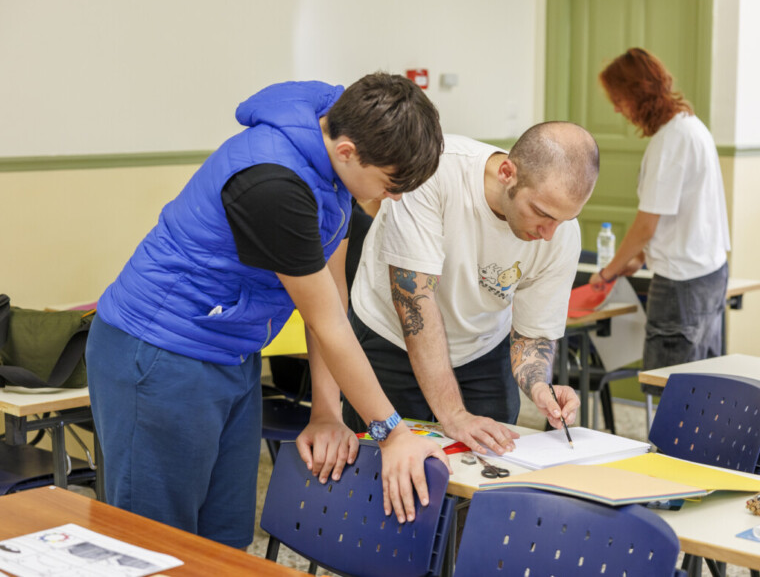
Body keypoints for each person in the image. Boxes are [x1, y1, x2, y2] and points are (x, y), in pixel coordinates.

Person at [85, 72, 449, 549]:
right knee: (157, 544)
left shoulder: (338, 129)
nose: (394, 197)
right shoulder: (274, 185)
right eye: (390, 183)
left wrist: (327, 411)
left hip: (232, 351)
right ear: (347, 152)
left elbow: (332, 294)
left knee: (225, 540)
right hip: (160, 353)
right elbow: (325, 322)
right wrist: (391, 434)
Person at [342, 124, 600, 455]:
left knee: (493, 464)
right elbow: (416, 305)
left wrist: (539, 386)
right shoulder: (433, 171)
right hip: (390, 336)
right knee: (390, 463)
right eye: (541, 213)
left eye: (562, 220)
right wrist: (453, 414)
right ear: (507, 173)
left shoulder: (561, 235)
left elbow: (532, 335)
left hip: (481, 346)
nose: (548, 233)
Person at [591, 47, 730, 370]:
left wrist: (608, 271)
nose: (617, 109)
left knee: (669, 385)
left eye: (619, 99)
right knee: (704, 384)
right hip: (710, 273)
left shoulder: (669, 141)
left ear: (638, 94)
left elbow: (646, 225)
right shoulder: (691, 126)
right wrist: (639, 257)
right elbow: (681, 213)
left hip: (681, 284)